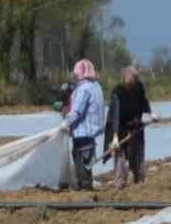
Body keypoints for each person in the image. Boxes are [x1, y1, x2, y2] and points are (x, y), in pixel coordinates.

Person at [103, 66, 153, 189]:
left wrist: (150, 113)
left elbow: (143, 101)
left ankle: (139, 179)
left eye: (137, 77)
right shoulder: (118, 92)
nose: (136, 79)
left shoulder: (138, 87)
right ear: (126, 77)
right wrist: (115, 136)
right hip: (119, 126)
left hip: (135, 125)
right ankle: (120, 183)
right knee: (120, 155)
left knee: (137, 154)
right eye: (134, 77)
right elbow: (115, 116)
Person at [63, 58, 105, 191]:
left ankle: (84, 188)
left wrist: (65, 123)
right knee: (88, 161)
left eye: (76, 75)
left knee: (80, 159)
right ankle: (87, 185)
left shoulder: (84, 89)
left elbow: (77, 111)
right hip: (92, 132)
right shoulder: (96, 86)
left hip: (83, 132)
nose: (74, 77)